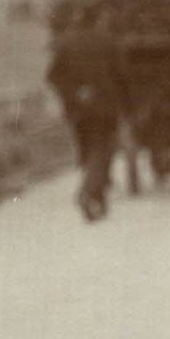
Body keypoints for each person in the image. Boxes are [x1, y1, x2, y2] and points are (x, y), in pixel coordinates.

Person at [46, 21, 122, 222]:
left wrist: (76, 92)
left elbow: (53, 76)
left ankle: (96, 194)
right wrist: (126, 104)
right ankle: (89, 192)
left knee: (87, 150)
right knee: (102, 149)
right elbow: (122, 75)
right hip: (105, 107)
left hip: (78, 110)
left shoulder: (67, 43)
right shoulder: (108, 42)